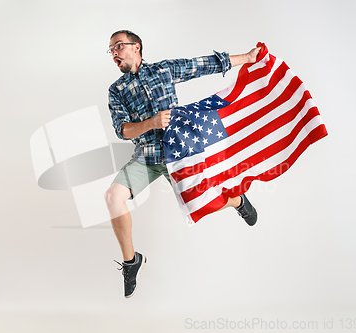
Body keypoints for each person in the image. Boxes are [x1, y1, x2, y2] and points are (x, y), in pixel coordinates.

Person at [105, 30, 260, 298]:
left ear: (136, 47)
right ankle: (132, 262)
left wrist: (247, 57)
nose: (115, 53)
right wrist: (151, 124)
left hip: (180, 152)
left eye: (119, 46)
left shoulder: (163, 70)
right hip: (148, 156)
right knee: (112, 197)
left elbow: (201, 65)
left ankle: (238, 201)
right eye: (111, 50)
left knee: (207, 204)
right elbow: (123, 130)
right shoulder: (116, 90)